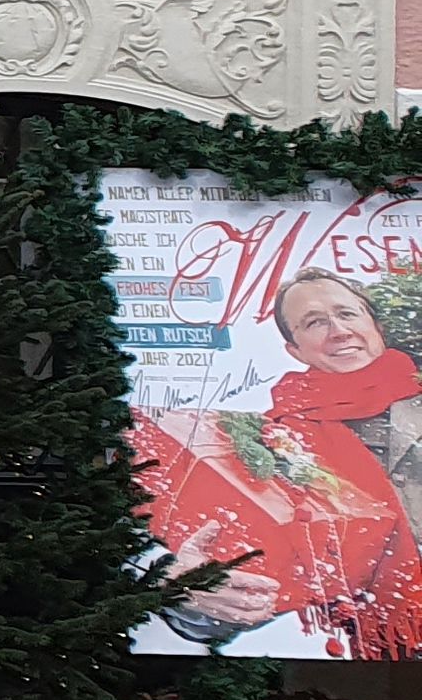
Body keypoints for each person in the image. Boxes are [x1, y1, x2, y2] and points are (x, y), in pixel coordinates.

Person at [153, 268, 422, 657]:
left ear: (374, 324)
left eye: (347, 314)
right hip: (390, 657)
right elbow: (262, 569)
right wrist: (191, 594)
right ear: (294, 350)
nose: (338, 329)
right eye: (314, 322)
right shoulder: (265, 445)